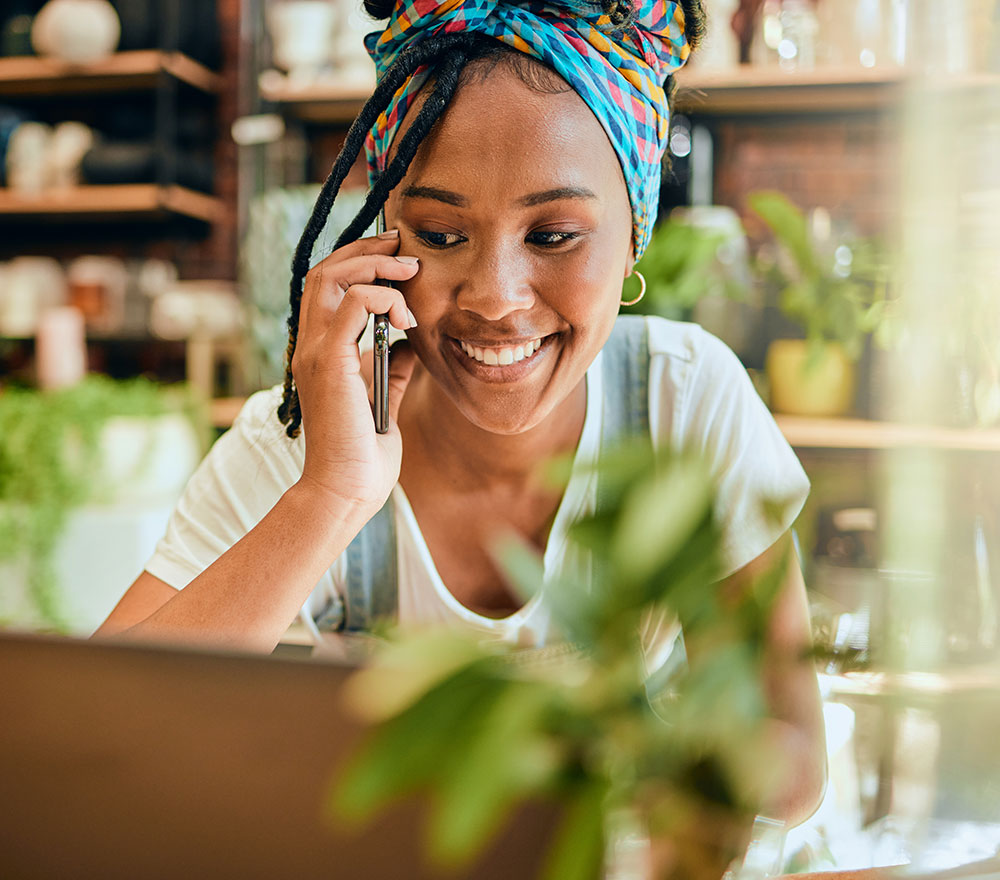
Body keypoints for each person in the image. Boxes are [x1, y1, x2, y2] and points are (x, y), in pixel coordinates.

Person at [96, 0, 826, 826]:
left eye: (553, 235)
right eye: (441, 235)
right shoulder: (300, 442)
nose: (497, 300)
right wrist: (333, 494)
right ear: (380, 239)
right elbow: (93, 736)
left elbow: (793, 769)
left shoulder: (684, 401)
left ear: (635, 235)